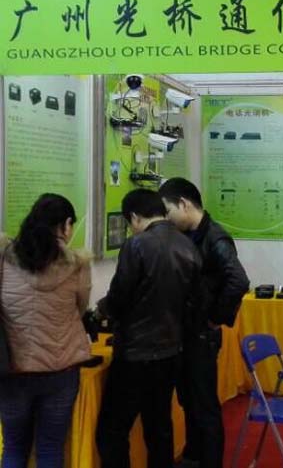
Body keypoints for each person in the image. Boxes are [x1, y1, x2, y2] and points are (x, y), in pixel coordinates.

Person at [95, 189, 203, 468]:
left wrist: (102, 309)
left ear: (134, 217)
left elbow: (119, 297)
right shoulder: (188, 245)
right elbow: (194, 300)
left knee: (112, 430)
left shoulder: (137, 245)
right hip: (170, 352)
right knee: (159, 428)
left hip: (135, 354)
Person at [159, 178, 249, 468]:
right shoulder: (189, 235)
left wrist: (215, 317)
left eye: (168, 211)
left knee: (205, 407)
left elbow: (238, 281)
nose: (167, 219)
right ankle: (193, 457)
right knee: (189, 402)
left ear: (184, 204)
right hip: (186, 332)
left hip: (202, 335)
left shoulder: (216, 238)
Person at [0, 193, 91, 468]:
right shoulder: (77, 265)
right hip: (60, 371)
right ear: (66, 225)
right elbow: (81, 309)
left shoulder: (4, 258)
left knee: (14, 447)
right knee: (50, 448)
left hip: (12, 370)